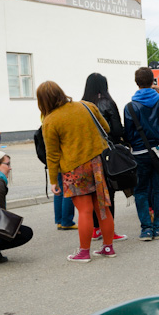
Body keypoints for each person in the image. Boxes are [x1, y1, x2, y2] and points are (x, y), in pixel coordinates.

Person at [39, 81, 116, 262]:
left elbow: (53, 155)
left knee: (85, 211)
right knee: (102, 209)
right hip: (98, 164)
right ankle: (108, 247)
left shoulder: (50, 120)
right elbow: (107, 128)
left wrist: (52, 181)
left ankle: (83, 252)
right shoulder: (87, 106)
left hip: (74, 169)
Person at [125, 67, 159, 239]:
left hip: (140, 154)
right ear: (153, 81)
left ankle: (146, 229)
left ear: (136, 82)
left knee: (140, 190)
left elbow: (129, 134)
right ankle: (158, 228)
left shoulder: (130, 107)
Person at [82, 73, 128, 242]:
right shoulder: (108, 103)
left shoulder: (82, 105)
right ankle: (109, 230)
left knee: (93, 192)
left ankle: (95, 229)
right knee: (108, 192)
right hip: (106, 154)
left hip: (87, 155)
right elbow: (116, 130)